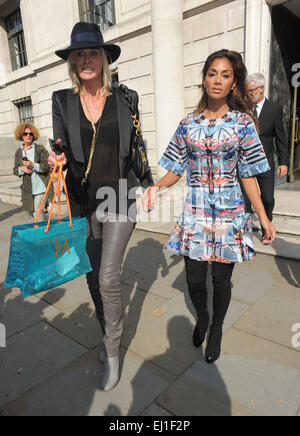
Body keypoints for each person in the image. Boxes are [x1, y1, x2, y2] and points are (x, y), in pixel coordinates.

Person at [143, 49, 276, 364]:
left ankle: (216, 326)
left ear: (233, 84)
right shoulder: (188, 124)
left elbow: (248, 176)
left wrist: (263, 218)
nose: (218, 80)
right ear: (204, 79)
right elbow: (175, 168)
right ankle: (202, 315)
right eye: (212, 73)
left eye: (225, 75)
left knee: (220, 279)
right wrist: (156, 187)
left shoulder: (243, 123)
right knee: (193, 278)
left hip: (230, 211)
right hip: (196, 210)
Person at [48, 22, 153, 391]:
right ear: (73, 62)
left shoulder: (126, 98)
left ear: (104, 58)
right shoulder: (61, 100)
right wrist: (54, 157)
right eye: (80, 54)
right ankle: (108, 333)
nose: (86, 59)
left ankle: (112, 353)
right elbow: (60, 144)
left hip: (121, 196)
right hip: (84, 202)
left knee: (108, 277)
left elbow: (138, 143)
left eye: (93, 52)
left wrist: (149, 183)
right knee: (92, 278)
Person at [243, 73, 289, 230]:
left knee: (268, 198)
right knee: (245, 200)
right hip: (245, 162)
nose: (249, 94)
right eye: (247, 91)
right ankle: (245, 229)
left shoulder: (274, 109)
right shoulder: (243, 109)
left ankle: (266, 225)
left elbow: (280, 137)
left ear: (261, 88)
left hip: (265, 161)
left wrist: (283, 162)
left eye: (252, 90)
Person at [13, 122, 53, 221]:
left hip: (41, 186)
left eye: (30, 134)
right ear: (21, 135)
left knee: (37, 212)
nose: (28, 136)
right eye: (25, 133)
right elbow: (15, 169)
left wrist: (33, 165)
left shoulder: (40, 149)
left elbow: (47, 166)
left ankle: (40, 234)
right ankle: (46, 225)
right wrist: (21, 169)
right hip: (28, 188)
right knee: (30, 213)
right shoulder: (19, 151)